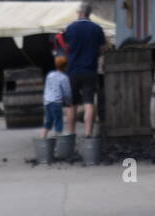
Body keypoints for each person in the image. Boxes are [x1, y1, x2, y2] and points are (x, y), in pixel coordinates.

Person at [61, 2, 107, 138]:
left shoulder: (70, 28)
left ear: (79, 13)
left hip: (72, 71)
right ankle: (88, 133)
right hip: (90, 71)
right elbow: (103, 49)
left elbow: (66, 48)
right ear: (89, 14)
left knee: (71, 105)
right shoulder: (97, 28)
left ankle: (70, 133)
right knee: (89, 103)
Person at [41, 55, 71, 141]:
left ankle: (42, 140)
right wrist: (68, 102)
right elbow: (67, 92)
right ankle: (59, 143)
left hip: (47, 102)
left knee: (48, 123)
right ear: (65, 66)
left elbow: (47, 87)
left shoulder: (50, 75)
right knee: (58, 122)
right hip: (56, 103)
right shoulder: (64, 78)